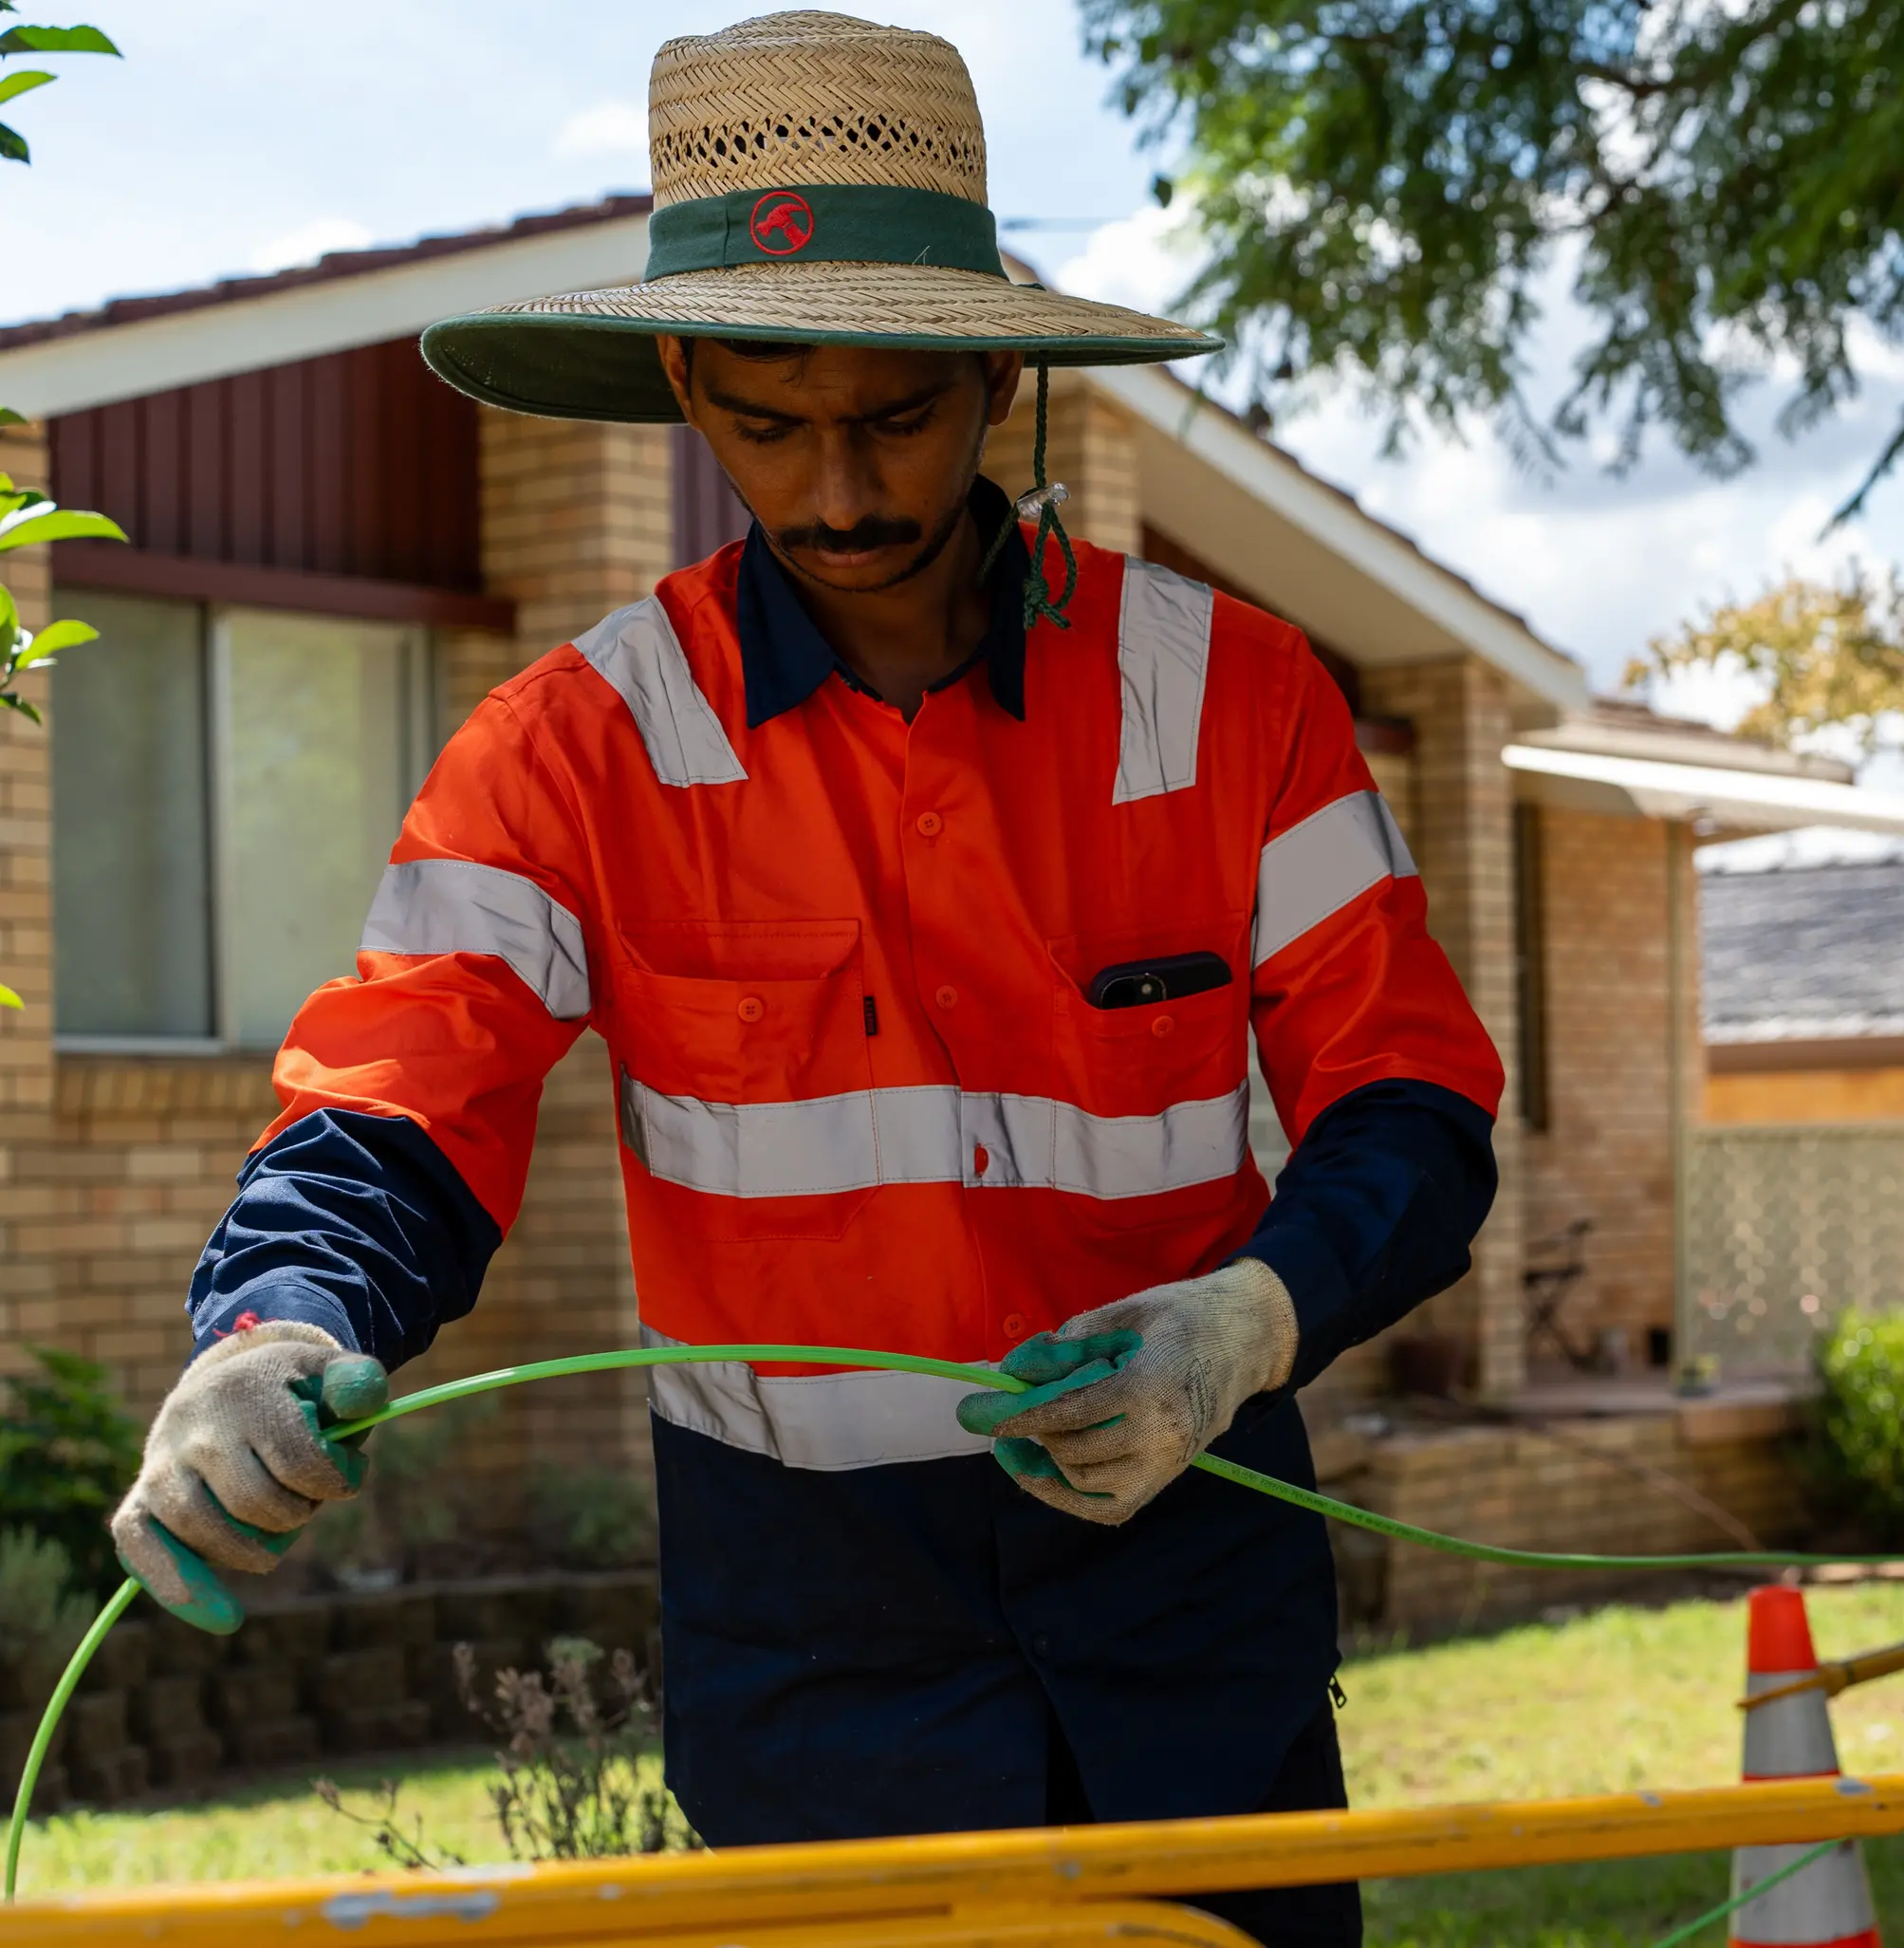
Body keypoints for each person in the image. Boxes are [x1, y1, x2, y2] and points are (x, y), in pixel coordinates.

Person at [103, 16, 1500, 1945]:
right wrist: (271, 1324)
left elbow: (1412, 1110)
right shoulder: (570, 748)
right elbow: (400, 1101)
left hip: (1194, 1613)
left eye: (897, 418)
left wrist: (1248, 1326)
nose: (838, 492)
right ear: (684, 379)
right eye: (768, 422)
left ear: (997, 368)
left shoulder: (1238, 701)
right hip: (817, 1660)